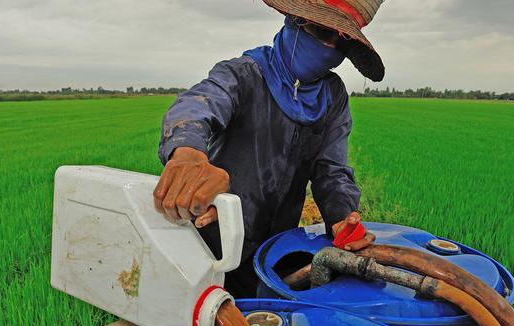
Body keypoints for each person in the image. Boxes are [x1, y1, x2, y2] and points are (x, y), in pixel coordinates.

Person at [154, 0, 385, 298]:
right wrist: (187, 153)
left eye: (340, 42)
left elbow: (332, 168)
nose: (329, 47)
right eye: (321, 31)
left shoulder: (333, 95)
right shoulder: (243, 75)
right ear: (293, 21)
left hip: (277, 247)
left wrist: (341, 216)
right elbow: (198, 105)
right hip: (214, 242)